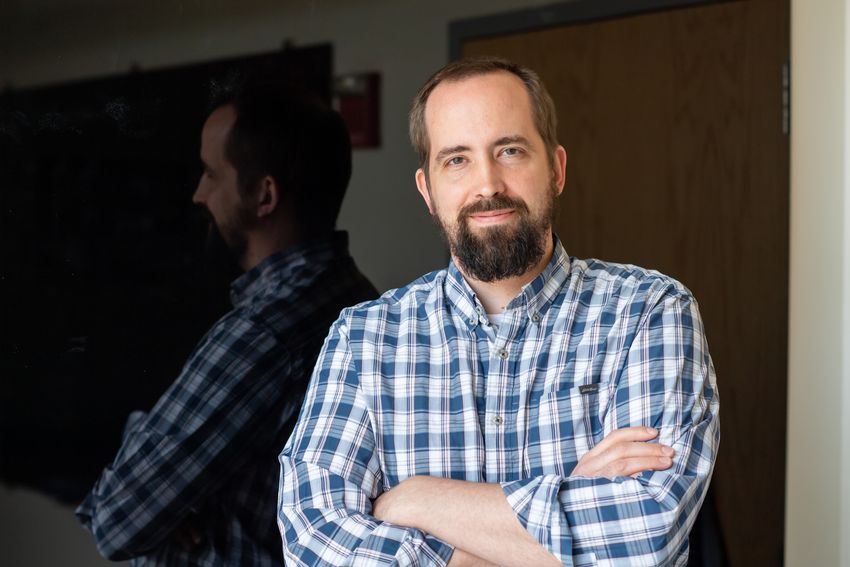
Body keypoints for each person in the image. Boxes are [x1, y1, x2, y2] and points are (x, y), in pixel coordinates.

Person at [278, 57, 719, 566]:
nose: (487, 185)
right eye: (457, 160)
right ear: (427, 189)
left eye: (509, 151)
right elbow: (312, 540)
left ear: (556, 169)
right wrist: (569, 500)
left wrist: (417, 500)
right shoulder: (364, 339)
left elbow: (644, 538)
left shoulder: (649, 313)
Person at [76, 82, 378, 565]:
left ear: (263, 195)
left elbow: (117, 521)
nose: (199, 194)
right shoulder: (359, 300)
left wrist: (152, 458)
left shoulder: (265, 333)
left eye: (211, 174)